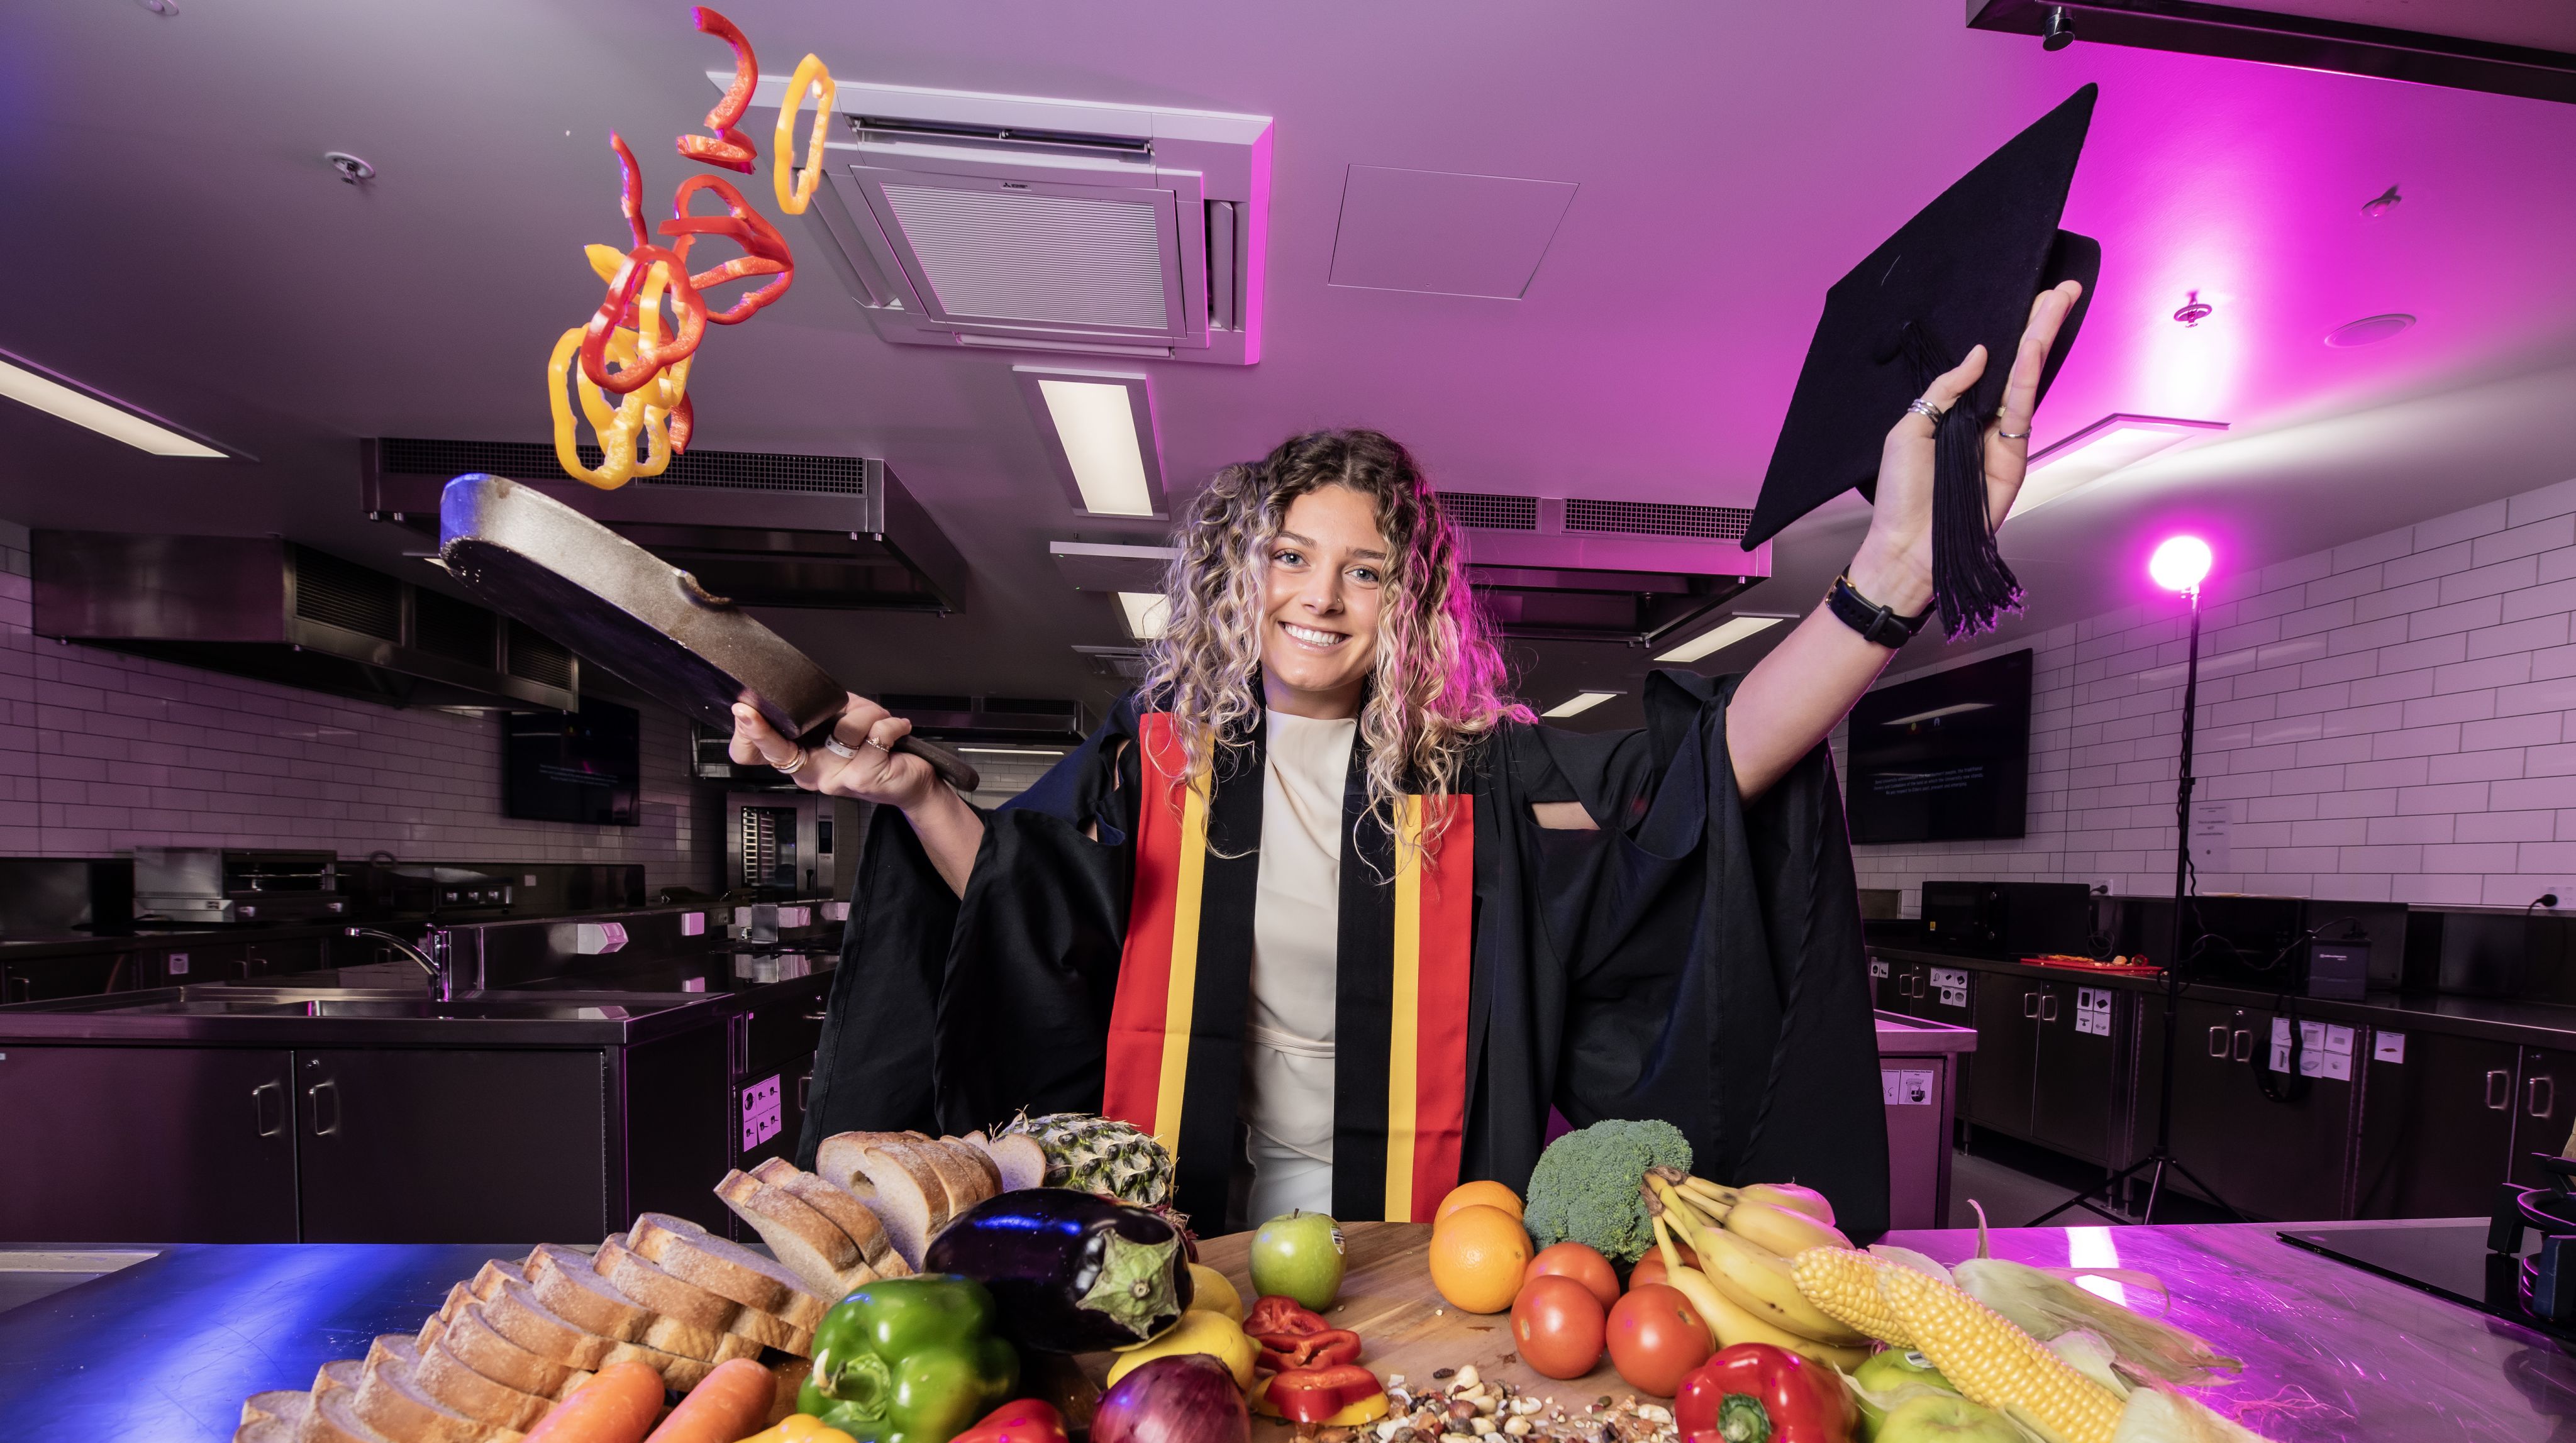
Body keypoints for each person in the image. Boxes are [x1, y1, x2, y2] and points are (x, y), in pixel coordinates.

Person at [735, 284, 2082, 1236]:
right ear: (1243, 575)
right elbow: (1019, 908)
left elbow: (1703, 778)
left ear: (1409, 602)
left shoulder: (1473, 783)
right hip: (1183, 1237)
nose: (1320, 598)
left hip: (1428, 1249)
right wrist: (915, 788)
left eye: (1366, 570)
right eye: (1290, 556)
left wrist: (1888, 578)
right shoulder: (1155, 762)